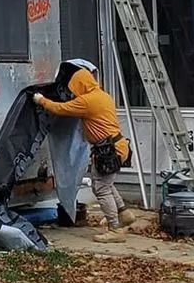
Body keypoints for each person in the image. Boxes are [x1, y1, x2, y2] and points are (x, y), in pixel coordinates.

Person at [33, 59, 136, 243]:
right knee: (107, 183)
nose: (73, 91)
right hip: (118, 146)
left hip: (107, 150)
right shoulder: (103, 95)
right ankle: (124, 213)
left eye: (74, 87)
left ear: (80, 84)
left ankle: (115, 229)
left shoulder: (87, 101)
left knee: (101, 188)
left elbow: (60, 108)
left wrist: (41, 100)